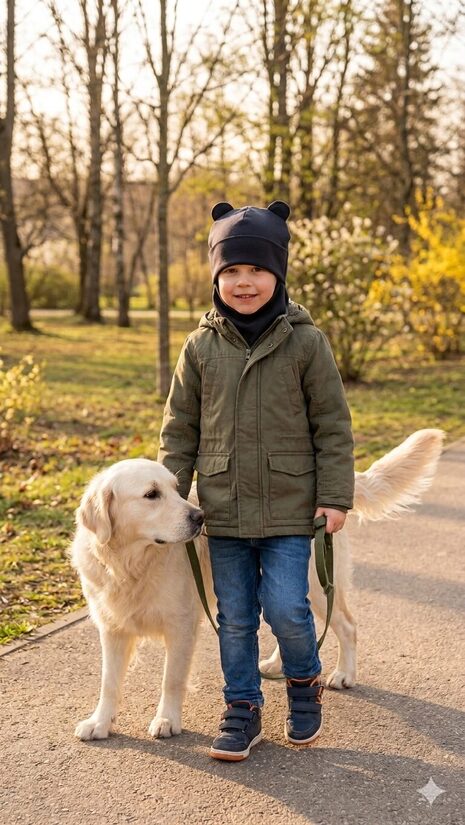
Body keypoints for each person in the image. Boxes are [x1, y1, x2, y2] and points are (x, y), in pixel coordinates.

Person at [158, 200, 354, 761]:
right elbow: (179, 432)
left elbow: (333, 426)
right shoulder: (199, 347)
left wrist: (335, 496)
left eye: (257, 271)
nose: (244, 283)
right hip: (222, 508)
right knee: (235, 616)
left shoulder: (306, 342)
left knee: (289, 607)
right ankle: (241, 706)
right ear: (218, 278)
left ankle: (302, 681)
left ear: (279, 275)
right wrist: (169, 503)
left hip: (293, 508)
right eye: (232, 272)